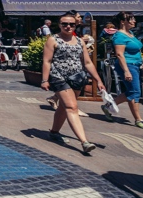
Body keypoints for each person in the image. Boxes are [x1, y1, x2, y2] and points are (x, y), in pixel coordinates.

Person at [41, 12, 106, 155]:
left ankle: (54, 132)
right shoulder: (53, 40)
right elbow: (47, 61)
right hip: (58, 77)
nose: (68, 26)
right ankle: (84, 142)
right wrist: (45, 80)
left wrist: (98, 80)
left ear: (76, 25)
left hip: (77, 77)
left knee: (64, 107)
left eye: (71, 24)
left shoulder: (79, 41)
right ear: (59, 25)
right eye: (64, 24)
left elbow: (87, 62)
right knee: (72, 107)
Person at [101, 12, 143, 129]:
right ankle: (138, 119)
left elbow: (137, 49)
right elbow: (119, 54)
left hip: (136, 64)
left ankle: (108, 106)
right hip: (127, 65)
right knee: (135, 92)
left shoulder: (130, 34)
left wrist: (142, 60)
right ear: (123, 22)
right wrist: (126, 71)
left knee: (133, 91)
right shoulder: (119, 36)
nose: (134, 21)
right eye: (131, 19)